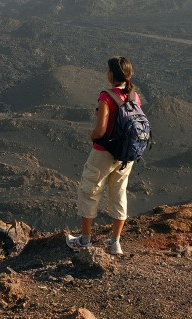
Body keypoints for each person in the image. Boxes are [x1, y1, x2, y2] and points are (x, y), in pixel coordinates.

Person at [67, 56, 139, 255]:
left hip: (105, 153)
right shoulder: (134, 95)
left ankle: (84, 240)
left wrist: (92, 137)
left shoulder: (106, 96)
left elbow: (100, 130)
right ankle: (115, 243)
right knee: (119, 193)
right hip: (127, 155)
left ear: (111, 74)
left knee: (89, 191)